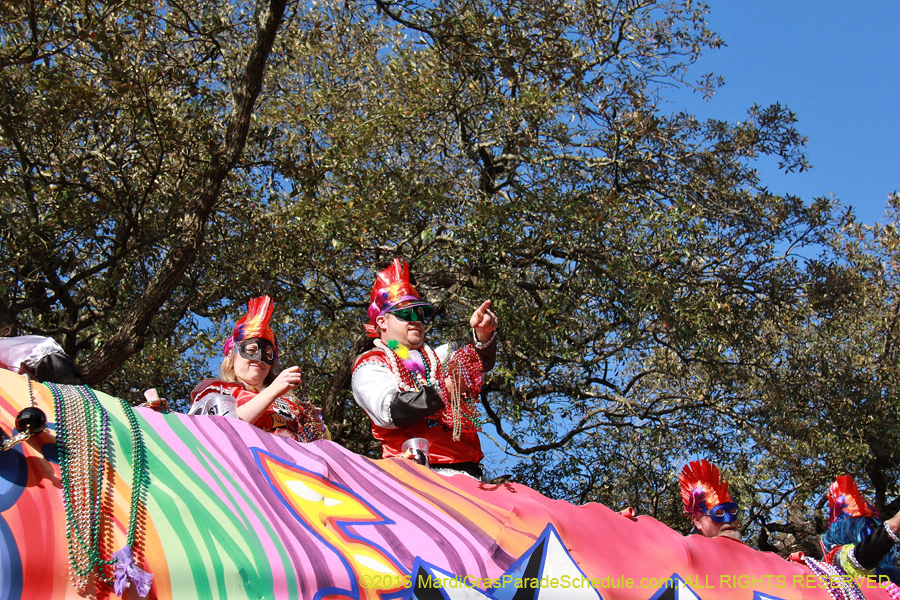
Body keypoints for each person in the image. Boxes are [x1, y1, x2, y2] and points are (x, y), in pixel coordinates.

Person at [351, 258, 498, 478]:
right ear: (382, 322)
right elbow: (391, 411)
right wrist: (444, 389)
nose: (416, 320)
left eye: (419, 314)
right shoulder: (371, 364)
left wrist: (483, 334)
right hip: (415, 477)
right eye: (406, 313)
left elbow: (475, 367)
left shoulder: (441, 356)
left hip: (470, 475)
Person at [190, 295, 328, 443]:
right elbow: (221, 429)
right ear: (232, 355)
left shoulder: (292, 403)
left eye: (267, 354)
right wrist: (273, 391)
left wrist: (315, 426)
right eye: (251, 350)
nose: (259, 359)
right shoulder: (218, 391)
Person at [820, 475, 900, 585]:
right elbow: (861, 557)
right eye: (868, 528)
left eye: (873, 527)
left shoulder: (891, 578)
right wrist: (894, 523)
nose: (871, 530)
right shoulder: (837, 560)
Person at [679, 459, 743, 541]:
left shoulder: (748, 550)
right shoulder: (685, 548)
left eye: (732, 511)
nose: (728, 519)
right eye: (718, 513)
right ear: (697, 521)